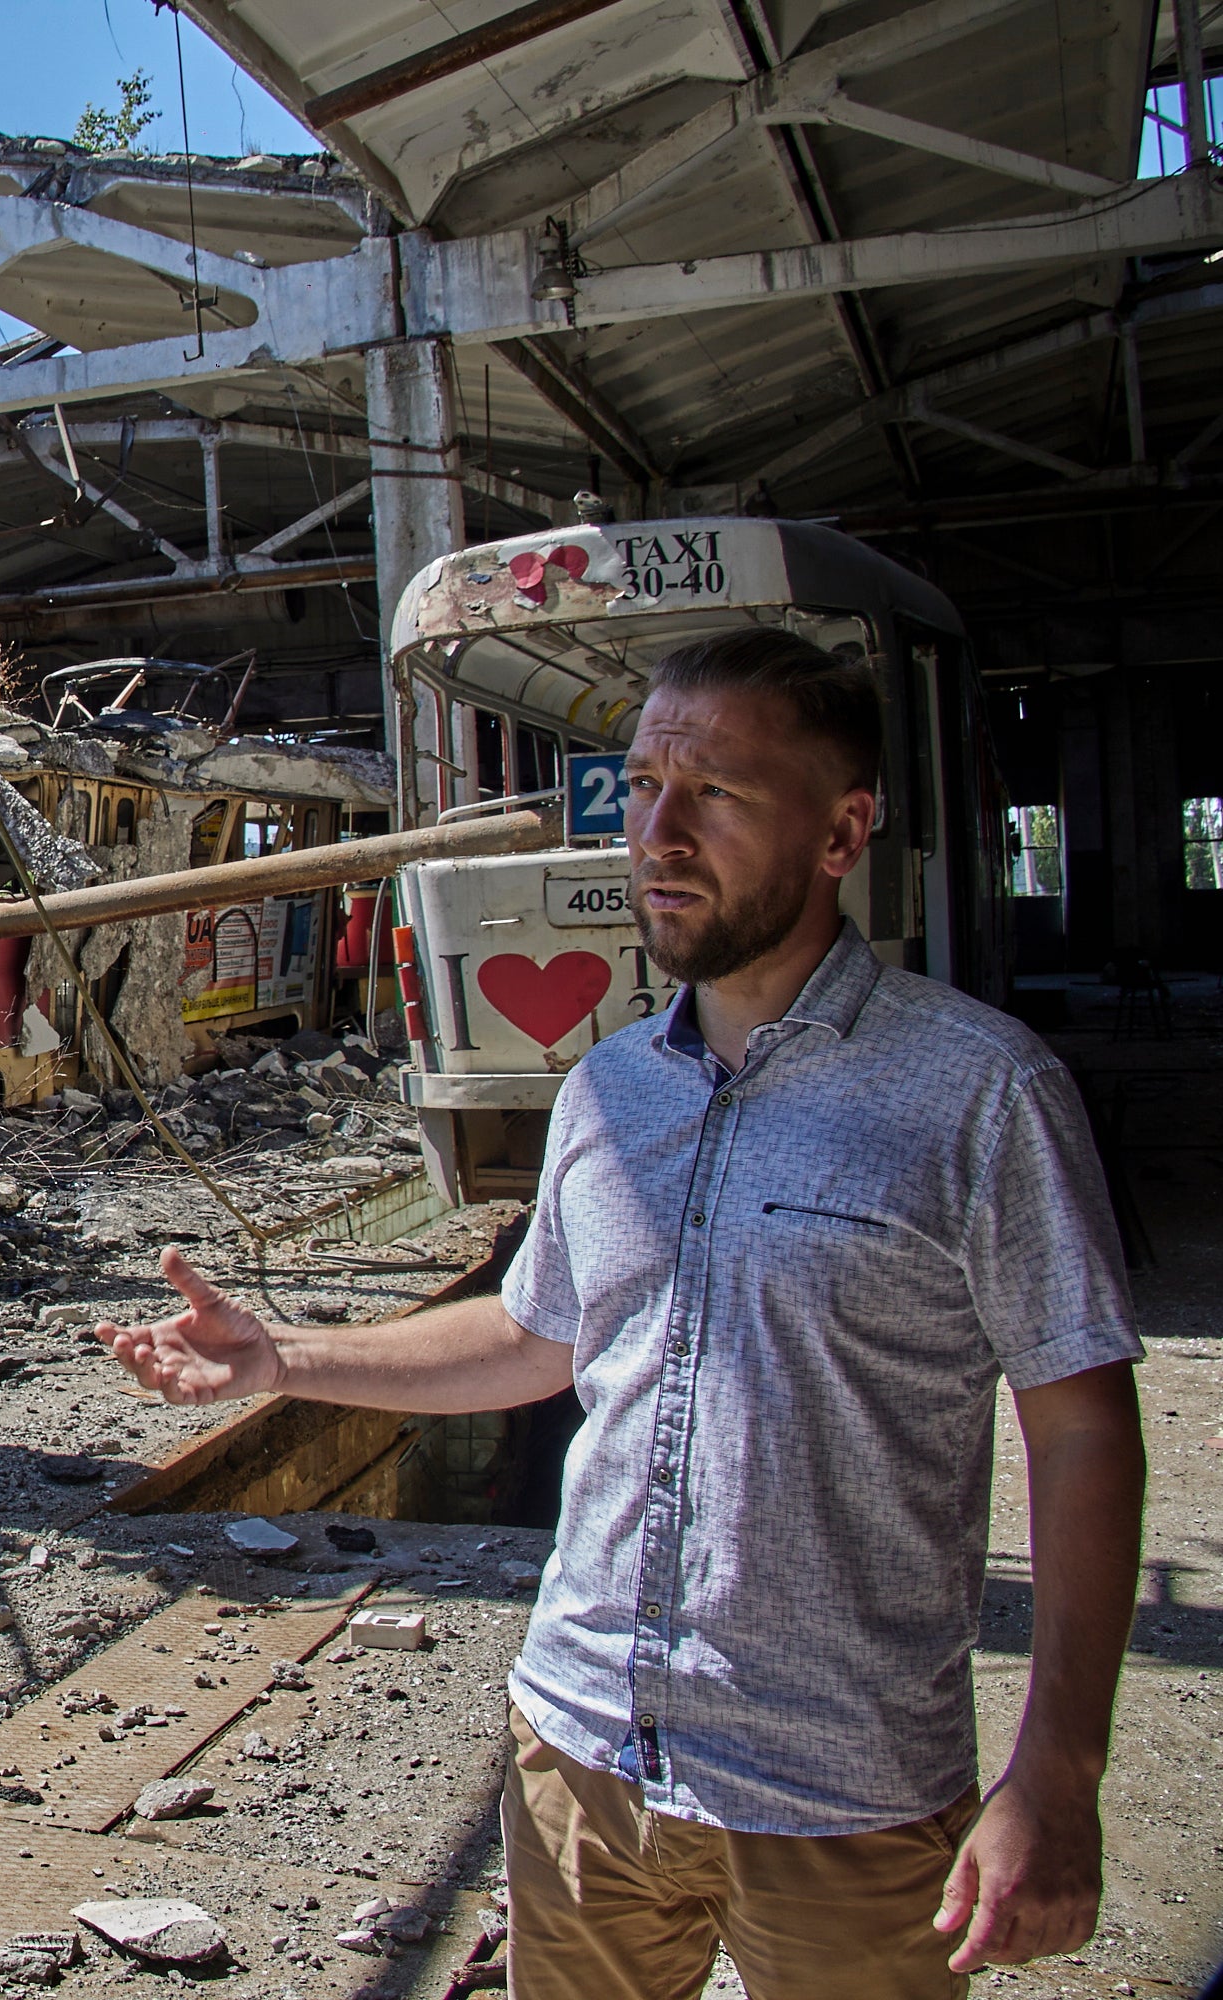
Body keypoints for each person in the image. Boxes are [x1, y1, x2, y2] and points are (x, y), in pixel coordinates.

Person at [98, 627, 1143, 2000]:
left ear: (843, 832)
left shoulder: (978, 1097)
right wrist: (284, 1356)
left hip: (844, 1796)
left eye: (715, 792)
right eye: (645, 783)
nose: (659, 830)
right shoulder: (607, 1092)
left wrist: (1058, 1771)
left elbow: (1083, 1432)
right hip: (580, 1758)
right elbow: (541, 1340)